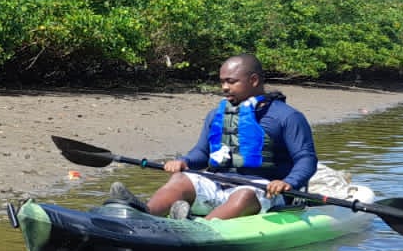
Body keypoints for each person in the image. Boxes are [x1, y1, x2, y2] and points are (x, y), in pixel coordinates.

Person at [110, 54, 317, 220]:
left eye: (231, 81)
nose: (224, 88)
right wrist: (184, 161)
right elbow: (202, 153)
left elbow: (306, 159)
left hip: (264, 191)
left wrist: (288, 182)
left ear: (253, 80)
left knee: (245, 194)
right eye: (222, 82)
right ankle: (144, 216)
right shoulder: (216, 115)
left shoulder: (287, 116)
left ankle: (197, 228)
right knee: (180, 178)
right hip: (218, 183)